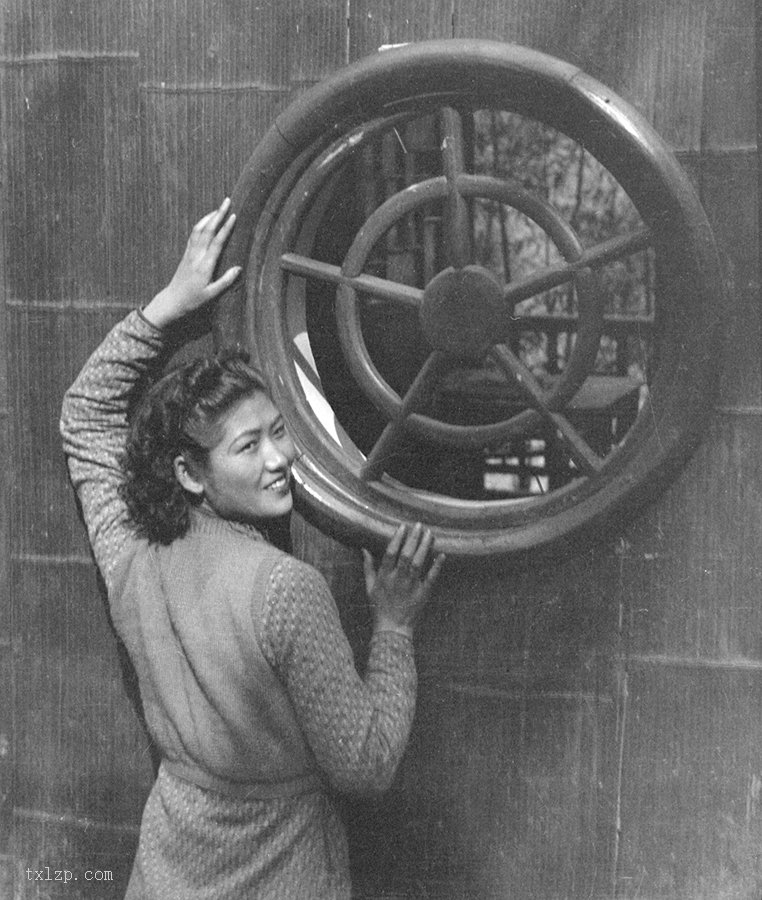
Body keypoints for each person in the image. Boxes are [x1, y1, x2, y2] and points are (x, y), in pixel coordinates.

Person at [60, 198, 445, 899]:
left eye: (278, 430)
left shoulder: (130, 554)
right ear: (189, 473)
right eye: (248, 445)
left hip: (167, 870)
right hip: (282, 872)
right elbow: (366, 765)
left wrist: (170, 306)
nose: (279, 459)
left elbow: (86, 412)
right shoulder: (286, 590)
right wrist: (393, 628)